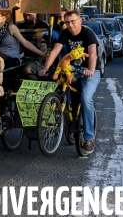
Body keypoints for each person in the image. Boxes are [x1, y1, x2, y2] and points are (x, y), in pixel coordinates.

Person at [38, 10, 101, 154]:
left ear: (80, 21)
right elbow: (55, 51)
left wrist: (90, 70)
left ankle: (89, 138)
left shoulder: (88, 33)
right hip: (72, 68)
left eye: (73, 21)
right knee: (58, 85)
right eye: (67, 22)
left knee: (86, 98)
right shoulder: (65, 33)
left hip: (89, 71)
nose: (70, 25)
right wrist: (45, 68)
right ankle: (65, 115)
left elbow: (92, 54)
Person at [0, 10, 46, 85]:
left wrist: (42, 53)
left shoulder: (11, 27)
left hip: (12, 60)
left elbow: (25, 43)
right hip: (0, 60)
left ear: (3, 18)